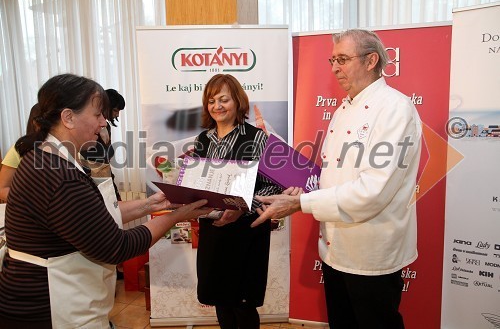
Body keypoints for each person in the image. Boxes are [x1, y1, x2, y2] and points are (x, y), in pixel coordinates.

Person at [0, 73, 211, 329]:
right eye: (98, 114)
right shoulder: (58, 174)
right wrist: (176, 216)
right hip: (50, 307)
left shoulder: (52, 158)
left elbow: (100, 214)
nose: (103, 123)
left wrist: (156, 204)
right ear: (68, 117)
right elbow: (116, 247)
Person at [252, 29, 422, 329]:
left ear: (371, 61)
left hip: (371, 254)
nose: (334, 68)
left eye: (342, 59)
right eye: (333, 59)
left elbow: (373, 191)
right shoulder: (343, 108)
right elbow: (333, 176)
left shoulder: (395, 109)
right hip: (334, 249)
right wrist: (289, 170)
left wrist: (301, 202)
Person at [193, 74, 282, 329]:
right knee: (220, 300)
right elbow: (198, 185)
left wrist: (240, 206)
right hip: (214, 231)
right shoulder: (203, 140)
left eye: (224, 99)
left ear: (238, 101)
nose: (217, 106)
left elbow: (273, 186)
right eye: (211, 101)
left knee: (242, 305)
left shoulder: (256, 138)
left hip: (246, 233)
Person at [81, 88, 125, 200]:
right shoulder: (89, 130)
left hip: (106, 183)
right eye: (115, 110)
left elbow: (105, 163)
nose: (117, 115)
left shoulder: (106, 128)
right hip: (94, 189)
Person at [0, 103, 41, 202]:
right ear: (36, 123)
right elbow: (2, 189)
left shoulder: (69, 147)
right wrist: (27, 204)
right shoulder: (20, 148)